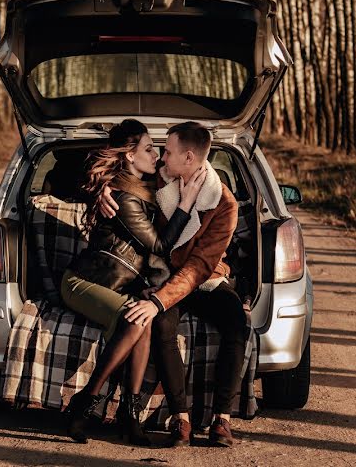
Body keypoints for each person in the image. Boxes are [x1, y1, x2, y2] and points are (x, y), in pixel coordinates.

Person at [100, 121, 248, 448]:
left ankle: (221, 419)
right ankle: (181, 416)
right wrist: (102, 188)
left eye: (167, 151)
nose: (161, 158)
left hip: (203, 279)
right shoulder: (160, 179)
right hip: (163, 277)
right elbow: (120, 174)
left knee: (237, 321)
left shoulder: (224, 204)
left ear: (190, 157)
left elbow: (198, 267)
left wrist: (158, 300)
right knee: (163, 326)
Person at [61, 119, 207, 446]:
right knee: (132, 317)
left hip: (120, 286)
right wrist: (185, 203)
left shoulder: (145, 185)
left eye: (157, 149)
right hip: (84, 281)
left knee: (143, 317)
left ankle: (129, 418)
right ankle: (84, 403)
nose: (156, 155)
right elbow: (158, 245)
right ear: (129, 155)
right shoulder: (121, 195)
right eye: (149, 148)